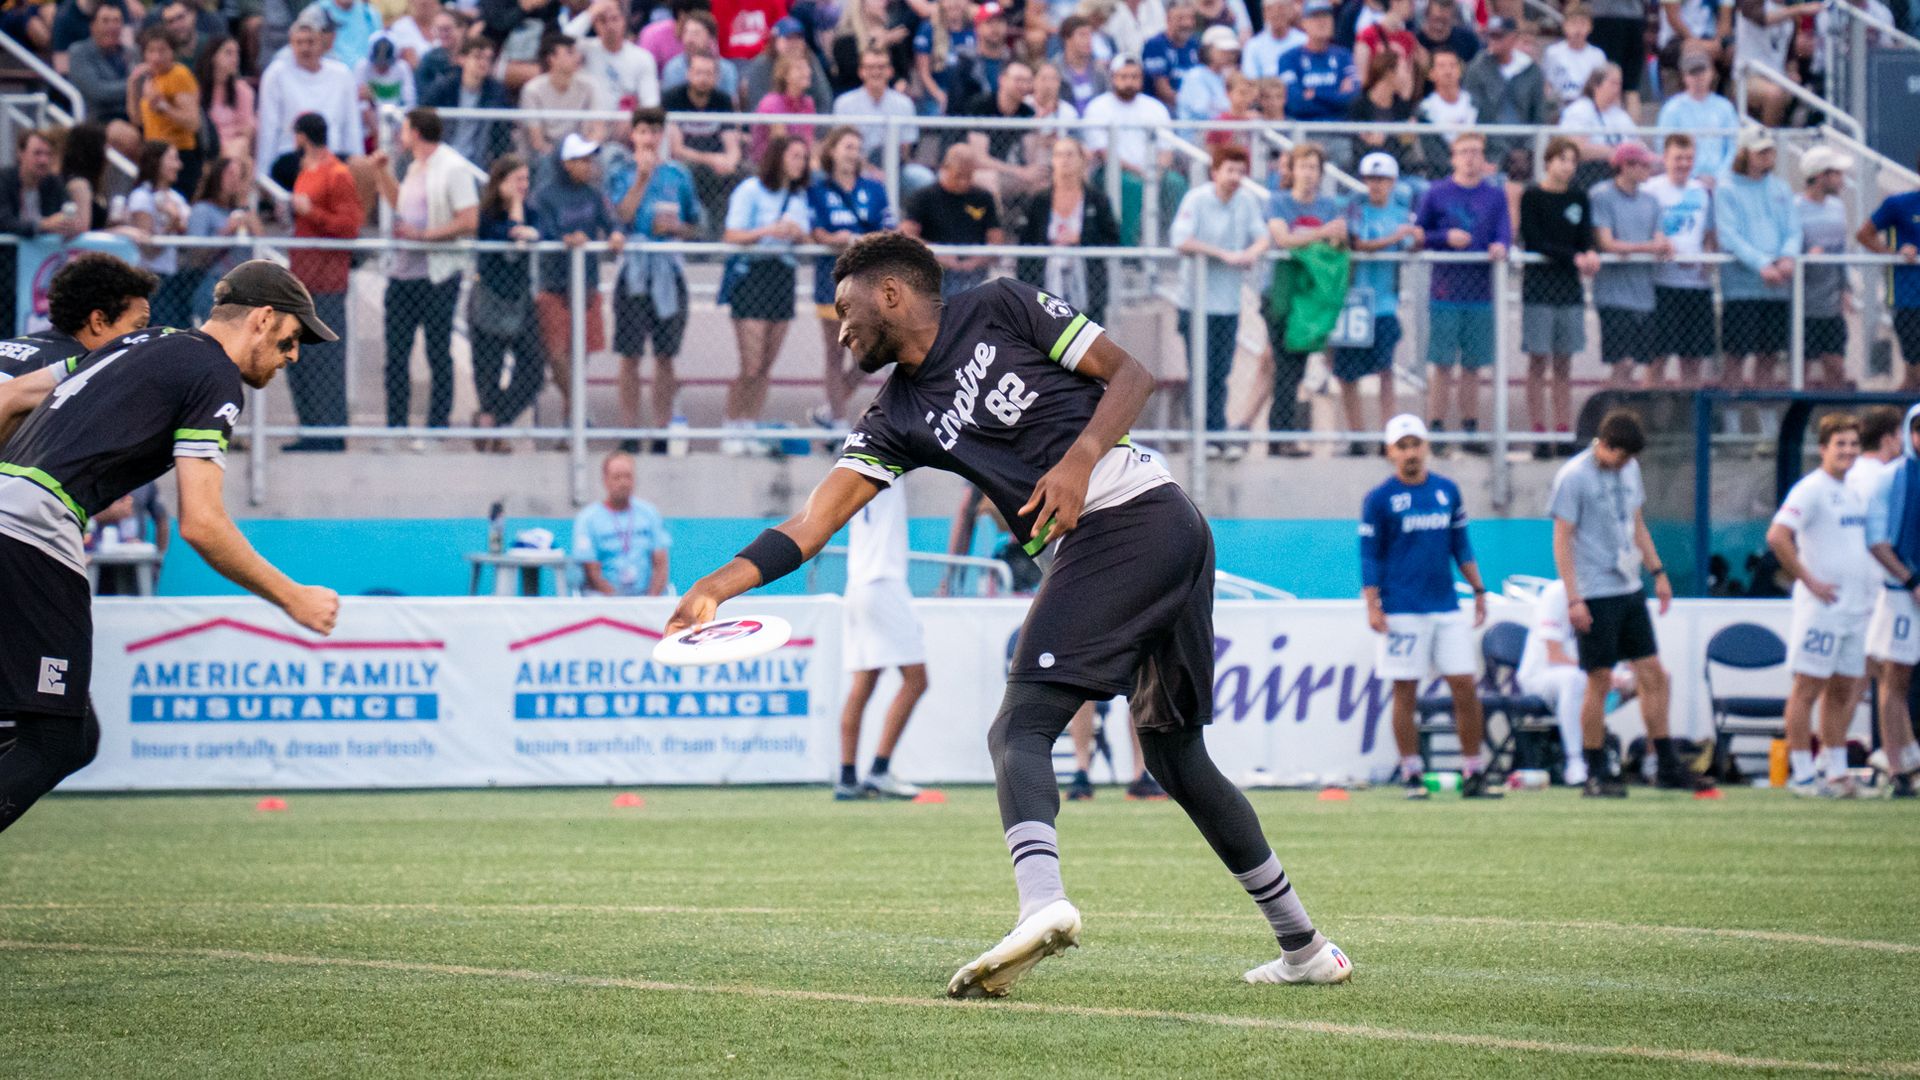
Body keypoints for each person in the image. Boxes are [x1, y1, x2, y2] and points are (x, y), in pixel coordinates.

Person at [664, 231, 1354, 999]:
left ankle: (1042, 906)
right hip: (1158, 536)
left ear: (889, 293)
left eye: (844, 310)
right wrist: (718, 585)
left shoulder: (1001, 303)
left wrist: (1078, 459)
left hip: (1138, 517)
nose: (840, 328)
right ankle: (1307, 947)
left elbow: (1132, 374)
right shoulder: (894, 417)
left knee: (1017, 730)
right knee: (1175, 758)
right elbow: (811, 524)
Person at [0, 259, 340, 834]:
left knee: (63, 733)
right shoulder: (215, 376)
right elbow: (201, 524)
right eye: (293, 337)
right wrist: (293, 597)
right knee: (59, 738)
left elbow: (8, 399)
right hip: (32, 534)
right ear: (262, 319)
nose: (294, 354)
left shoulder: (142, 341)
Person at [1548, 408, 1710, 796]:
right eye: (1619, 456)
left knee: (1653, 674)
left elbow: (1636, 523)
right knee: (1599, 679)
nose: (1623, 464)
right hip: (1594, 591)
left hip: (1628, 587)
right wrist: (1574, 598)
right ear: (1603, 444)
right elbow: (1561, 539)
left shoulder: (1629, 470)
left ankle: (1667, 765)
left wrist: (1658, 572)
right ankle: (1594, 770)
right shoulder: (1573, 477)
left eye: (1629, 459)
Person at [1361, 414, 1496, 798]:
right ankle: (1412, 772)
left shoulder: (1447, 491)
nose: (1410, 453)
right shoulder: (1379, 499)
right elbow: (1369, 556)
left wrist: (1479, 589)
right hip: (1402, 609)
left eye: (1415, 444)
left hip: (1446, 607)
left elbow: (1461, 546)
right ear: (1390, 452)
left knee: (1465, 686)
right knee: (1406, 691)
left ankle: (1473, 770)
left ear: (1427, 447)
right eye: (1401, 446)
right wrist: (1373, 605)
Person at [1767, 412, 1878, 798]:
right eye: (1840, 444)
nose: (1847, 451)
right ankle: (1801, 775)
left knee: (1844, 690)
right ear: (1823, 449)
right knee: (1807, 688)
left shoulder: (1855, 490)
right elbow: (1778, 536)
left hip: (1855, 608)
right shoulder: (1810, 489)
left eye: (1853, 444)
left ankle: (1836, 773)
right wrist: (1809, 579)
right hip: (1822, 609)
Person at [373, 107, 480, 442]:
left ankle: (437, 425)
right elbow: (401, 205)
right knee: (396, 355)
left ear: (415, 132)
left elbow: (468, 220)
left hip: (436, 276)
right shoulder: (415, 166)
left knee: (437, 351)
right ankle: (396, 427)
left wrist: (424, 237)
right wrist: (381, 174)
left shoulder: (453, 168)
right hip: (403, 276)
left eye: (404, 130)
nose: (400, 137)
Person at [608, 107, 701, 451]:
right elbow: (621, 215)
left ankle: (661, 430)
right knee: (629, 354)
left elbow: (696, 222)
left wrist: (677, 228)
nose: (649, 138)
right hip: (634, 270)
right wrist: (642, 179)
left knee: (665, 355)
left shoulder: (679, 175)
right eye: (643, 131)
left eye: (655, 131)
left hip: (668, 270)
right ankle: (629, 430)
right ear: (633, 135)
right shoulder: (621, 172)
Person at [1170, 143, 1268, 451]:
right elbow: (1181, 240)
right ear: (1215, 172)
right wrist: (1222, 254)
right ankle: (1201, 435)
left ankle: (1215, 433)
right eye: (1230, 170)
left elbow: (1263, 236)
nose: (1235, 177)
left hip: (1227, 304)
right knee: (1199, 370)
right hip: (1195, 303)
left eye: (1240, 171)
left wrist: (1250, 253)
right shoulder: (1196, 199)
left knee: (1220, 371)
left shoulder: (1246, 201)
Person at [835, 480, 929, 800]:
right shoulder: (890, 466)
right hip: (883, 582)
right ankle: (879, 770)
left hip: (857, 586)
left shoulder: (853, 474)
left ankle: (847, 777)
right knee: (916, 680)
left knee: (864, 684)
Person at [1414, 132, 1507, 450]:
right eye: (1464, 152)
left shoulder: (1494, 196)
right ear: (1453, 157)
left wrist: (1500, 246)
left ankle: (1470, 428)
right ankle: (1436, 427)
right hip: (1445, 290)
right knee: (1442, 363)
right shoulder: (1437, 193)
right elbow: (1419, 234)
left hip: (1481, 293)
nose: (1470, 158)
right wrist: (1444, 238)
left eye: (1476, 152)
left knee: (1472, 365)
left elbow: (1504, 232)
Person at [721, 134, 811, 449]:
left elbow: (808, 238)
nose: (801, 162)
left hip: (782, 275)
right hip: (753, 275)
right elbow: (731, 234)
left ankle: (750, 424)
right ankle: (731, 425)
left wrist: (798, 235)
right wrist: (767, 231)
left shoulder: (799, 197)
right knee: (751, 362)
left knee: (767, 364)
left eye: (804, 156)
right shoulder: (750, 191)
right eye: (795, 155)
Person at [528, 132, 625, 419]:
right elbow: (544, 231)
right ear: (566, 163)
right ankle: (579, 409)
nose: (589, 166)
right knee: (556, 354)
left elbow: (610, 223)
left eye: (589, 160)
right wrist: (566, 239)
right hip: (554, 283)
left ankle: (571, 428)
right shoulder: (544, 195)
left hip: (586, 284)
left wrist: (616, 234)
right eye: (581, 161)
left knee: (579, 358)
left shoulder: (594, 195)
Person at [1262, 140, 1344, 458]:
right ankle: (1280, 437)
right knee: (1285, 366)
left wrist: (1322, 236)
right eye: (1303, 167)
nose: (1309, 174)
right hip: (1281, 294)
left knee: (1296, 368)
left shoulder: (1328, 206)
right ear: (1292, 170)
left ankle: (1285, 435)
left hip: (1310, 298)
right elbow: (1283, 239)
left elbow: (1338, 242)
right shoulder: (1278, 202)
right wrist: (1322, 234)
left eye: (1314, 168)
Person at [1519, 137, 1598, 457]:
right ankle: (1539, 430)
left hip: (1569, 290)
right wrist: (1573, 257)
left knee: (1564, 364)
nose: (1567, 166)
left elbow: (1584, 237)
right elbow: (1534, 240)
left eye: (1572, 161)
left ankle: (1564, 429)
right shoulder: (1533, 196)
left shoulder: (1579, 197)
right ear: (1548, 162)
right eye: (1561, 159)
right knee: (1538, 361)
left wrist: (1589, 253)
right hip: (1539, 288)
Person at [810, 127, 894, 427]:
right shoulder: (819, 190)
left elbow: (887, 231)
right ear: (832, 151)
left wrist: (857, 240)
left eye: (858, 147)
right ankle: (836, 420)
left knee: (873, 351)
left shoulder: (874, 188)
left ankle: (830, 409)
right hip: (831, 279)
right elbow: (817, 232)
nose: (853, 152)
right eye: (847, 146)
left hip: (866, 280)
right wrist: (840, 239)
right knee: (835, 352)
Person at [286, 112, 358, 452]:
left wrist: (310, 210)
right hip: (304, 280)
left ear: (301, 137)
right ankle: (311, 430)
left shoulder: (337, 174)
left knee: (325, 361)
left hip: (326, 282)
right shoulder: (308, 171)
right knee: (301, 360)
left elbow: (349, 226)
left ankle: (328, 433)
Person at [1335, 153, 1417, 452]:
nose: (1376, 185)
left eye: (1382, 179)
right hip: (1355, 303)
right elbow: (1357, 244)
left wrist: (1416, 237)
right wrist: (1396, 237)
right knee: (1347, 374)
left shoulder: (1400, 213)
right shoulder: (1356, 210)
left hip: (1384, 304)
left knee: (1385, 371)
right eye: (1371, 179)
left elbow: (1411, 245)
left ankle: (1389, 436)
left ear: (1393, 182)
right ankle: (1357, 435)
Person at [469, 154, 550, 452]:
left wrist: (521, 222)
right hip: (489, 298)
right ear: (500, 183)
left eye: (527, 179)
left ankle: (494, 422)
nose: (524, 186)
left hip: (520, 300)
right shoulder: (487, 214)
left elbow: (536, 232)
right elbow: (508, 241)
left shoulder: (532, 211)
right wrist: (515, 221)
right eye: (517, 179)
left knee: (533, 369)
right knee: (488, 369)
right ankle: (491, 424)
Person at [1863, 405, 1920, 798]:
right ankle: (1896, 764)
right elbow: (1877, 540)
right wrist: (1910, 578)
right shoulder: (1894, 477)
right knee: (1894, 676)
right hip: (1902, 596)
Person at [1714, 129, 1798, 390]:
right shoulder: (1726, 189)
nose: (1767, 156)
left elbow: (1793, 230)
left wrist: (1787, 257)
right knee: (1736, 355)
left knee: (1769, 355)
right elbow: (1729, 235)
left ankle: (1765, 413)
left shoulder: (1781, 188)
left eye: (1769, 151)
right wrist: (1762, 264)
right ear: (1745, 154)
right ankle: (1731, 418)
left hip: (1777, 289)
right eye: (1760, 151)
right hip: (1741, 289)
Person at [0, 253, 156, 386]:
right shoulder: (86, 372)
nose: (144, 338)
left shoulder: (11, 344)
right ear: (98, 322)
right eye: (139, 326)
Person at [1014, 137, 1121, 328]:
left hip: (1086, 281)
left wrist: (1081, 238)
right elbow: (1025, 243)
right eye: (1058, 155)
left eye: (1070, 154)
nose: (1064, 160)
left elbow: (1112, 238)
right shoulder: (1039, 201)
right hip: (1046, 279)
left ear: (1082, 160)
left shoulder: (1097, 200)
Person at [1515, 578, 1608, 786]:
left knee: (1646, 679)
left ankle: (1651, 763)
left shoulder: (1605, 593)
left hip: (1582, 675)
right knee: (1574, 679)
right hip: (1540, 677)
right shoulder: (1556, 594)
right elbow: (1554, 656)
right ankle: (1575, 762)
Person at [1641, 133, 1716, 389]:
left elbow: (1709, 234)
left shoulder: (1703, 192)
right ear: (1665, 158)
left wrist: (1706, 259)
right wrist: (1659, 242)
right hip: (1662, 285)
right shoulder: (1650, 189)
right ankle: (1649, 417)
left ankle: (1692, 421)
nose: (1683, 163)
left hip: (1696, 286)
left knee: (1693, 362)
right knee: (1656, 359)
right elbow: (1641, 228)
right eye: (1678, 158)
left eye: (1689, 158)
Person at [1589, 141, 1666, 388]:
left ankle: (1631, 416)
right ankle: (1611, 416)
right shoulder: (1601, 195)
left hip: (1644, 295)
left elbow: (1659, 239)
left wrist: (1662, 246)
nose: (1649, 169)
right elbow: (1607, 243)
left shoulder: (1652, 201)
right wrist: (1647, 248)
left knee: (1641, 363)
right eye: (1644, 164)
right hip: (1613, 296)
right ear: (1625, 166)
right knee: (1622, 364)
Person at [256, 7, 364, 180]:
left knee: (361, 168)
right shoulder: (276, 74)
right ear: (291, 44)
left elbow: (351, 127)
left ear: (322, 44)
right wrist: (262, 176)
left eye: (310, 42)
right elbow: (269, 128)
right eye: (299, 42)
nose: (305, 48)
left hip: (333, 154)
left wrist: (358, 163)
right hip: (290, 155)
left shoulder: (342, 75)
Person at [0, 131, 85, 338]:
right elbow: (4, 220)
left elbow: (68, 215)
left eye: (48, 154)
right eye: (37, 153)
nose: (43, 160)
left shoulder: (53, 183)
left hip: (38, 273)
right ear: (21, 153)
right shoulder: (4, 179)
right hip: (5, 270)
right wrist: (44, 225)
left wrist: (70, 226)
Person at [901, 143, 1005, 298]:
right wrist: (939, 255)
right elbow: (906, 236)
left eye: (968, 176)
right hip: (934, 270)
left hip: (974, 272)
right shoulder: (924, 197)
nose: (963, 182)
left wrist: (976, 261)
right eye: (958, 176)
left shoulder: (983, 198)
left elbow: (996, 240)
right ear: (945, 168)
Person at [664, 52, 745, 234]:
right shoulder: (672, 98)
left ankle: (722, 236)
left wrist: (730, 162)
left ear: (716, 77)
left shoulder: (723, 101)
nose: (703, 79)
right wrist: (713, 160)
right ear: (689, 74)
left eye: (708, 74)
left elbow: (732, 145)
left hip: (718, 164)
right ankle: (696, 236)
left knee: (742, 173)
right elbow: (676, 150)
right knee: (695, 172)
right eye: (698, 73)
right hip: (688, 161)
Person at [572, 450, 671, 596]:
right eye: (617, 477)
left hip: (646, 600)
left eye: (628, 477)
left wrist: (650, 600)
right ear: (605, 480)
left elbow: (661, 563)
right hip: (603, 602)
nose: (623, 483)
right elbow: (591, 571)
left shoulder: (649, 513)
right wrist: (619, 605)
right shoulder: (588, 519)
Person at [1794, 147, 1853, 389]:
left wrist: (1845, 289)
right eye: (1836, 173)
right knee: (1802, 371)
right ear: (1820, 176)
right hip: (1802, 307)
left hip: (1830, 307)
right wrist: (1805, 256)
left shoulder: (1837, 208)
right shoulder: (1794, 207)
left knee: (1836, 367)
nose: (1842, 180)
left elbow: (1841, 251)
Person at [1860, 167, 1920, 390]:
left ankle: (1891, 420)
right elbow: (1864, 234)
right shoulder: (1899, 204)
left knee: (1912, 379)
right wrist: (1894, 254)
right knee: (1916, 373)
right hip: (1908, 300)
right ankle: (1890, 421)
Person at [183, 155, 263, 321]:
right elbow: (196, 256)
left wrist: (246, 206)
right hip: (212, 283)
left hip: (243, 284)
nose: (235, 180)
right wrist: (227, 231)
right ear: (218, 175)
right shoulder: (203, 210)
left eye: (239, 176)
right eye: (230, 174)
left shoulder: (243, 211)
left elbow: (262, 241)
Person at [833, 45, 925, 187]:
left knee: (922, 178)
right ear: (861, 71)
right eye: (870, 67)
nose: (876, 72)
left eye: (881, 67)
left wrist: (889, 171)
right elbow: (842, 147)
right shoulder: (844, 103)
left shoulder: (904, 104)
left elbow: (905, 148)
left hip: (896, 168)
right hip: (856, 167)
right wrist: (869, 170)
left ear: (890, 71)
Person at [125, 140, 194, 329]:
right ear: (157, 162)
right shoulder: (141, 197)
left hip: (175, 278)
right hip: (152, 278)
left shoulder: (176, 198)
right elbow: (148, 249)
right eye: (172, 159)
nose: (178, 165)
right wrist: (171, 223)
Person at [129, 25, 203, 195]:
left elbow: (193, 122)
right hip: (152, 154)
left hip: (178, 154)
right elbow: (137, 120)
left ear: (172, 52)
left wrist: (164, 108)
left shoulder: (178, 75)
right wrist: (132, 87)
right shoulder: (150, 78)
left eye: (162, 51)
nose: (156, 57)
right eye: (151, 51)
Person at [422, 35, 514, 169]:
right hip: (442, 157)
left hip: (478, 162)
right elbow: (423, 116)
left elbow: (503, 133)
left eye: (488, 59)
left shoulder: (496, 93)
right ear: (462, 59)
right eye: (477, 57)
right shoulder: (444, 88)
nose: (483, 63)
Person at [1462, 16, 1545, 161]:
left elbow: (1538, 114)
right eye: (1490, 36)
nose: (1493, 41)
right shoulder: (1477, 68)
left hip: (1523, 151)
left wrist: (1528, 150)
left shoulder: (1531, 70)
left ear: (1513, 38)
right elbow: (1472, 112)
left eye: (1498, 36)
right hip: (1486, 148)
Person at [521, 32, 614, 161]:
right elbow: (537, 141)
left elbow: (599, 128)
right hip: (549, 152)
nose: (578, 57)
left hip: (581, 149)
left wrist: (585, 150)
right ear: (551, 58)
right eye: (570, 53)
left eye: (577, 52)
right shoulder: (532, 90)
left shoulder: (589, 86)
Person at [959, 61, 1042, 198]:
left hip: (1008, 171)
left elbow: (1030, 156)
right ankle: (997, 220)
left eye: (1028, 81)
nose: (1023, 85)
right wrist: (1019, 171)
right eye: (1018, 80)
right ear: (1002, 80)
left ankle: (1030, 220)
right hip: (972, 170)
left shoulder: (1027, 113)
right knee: (989, 179)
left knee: (1040, 181)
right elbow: (980, 159)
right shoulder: (981, 106)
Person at [1655, 52, 1738, 182]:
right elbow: (1663, 146)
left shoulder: (1725, 107)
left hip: (1722, 182)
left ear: (1711, 73)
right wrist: (1691, 177)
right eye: (1693, 73)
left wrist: (1719, 176)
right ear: (1684, 77)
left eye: (1702, 71)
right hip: (1683, 180)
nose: (1699, 77)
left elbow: (1734, 146)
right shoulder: (1672, 108)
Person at [1275, 1, 1355, 121]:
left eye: (1326, 16)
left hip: (1339, 131)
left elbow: (1352, 100)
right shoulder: (1289, 58)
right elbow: (1295, 103)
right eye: (1315, 16)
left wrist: (1314, 94)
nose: (1322, 22)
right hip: (1303, 131)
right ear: (1304, 23)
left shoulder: (1344, 56)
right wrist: (1335, 96)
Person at [577, 0, 661, 111]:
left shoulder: (643, 57)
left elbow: (650, 102)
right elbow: (560, 42)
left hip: (629, 124)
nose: (610, 26)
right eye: (602, 20)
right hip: (591, 125)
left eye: (615, 19)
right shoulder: (584, 49)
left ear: (624, 21)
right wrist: (590, 13)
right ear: (594, 24)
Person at [68, 3, 138, 125]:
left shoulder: (132, 52)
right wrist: (134, 84)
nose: (112, 26)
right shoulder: (80, 52)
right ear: (92, 26)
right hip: (99, 120)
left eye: (117, 21)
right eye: (105, 21)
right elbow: (98, 92)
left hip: (134, 115)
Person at [1414, 46, 1474, 176]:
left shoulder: (1475, 104)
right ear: (1431, 73)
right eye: (1441, 66)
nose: (1448, 71)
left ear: (1460, 70)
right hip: (1440, 173)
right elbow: (1430, 150)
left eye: (1453, 65)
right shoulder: (1424, 110)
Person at [912, 0, 979, 114]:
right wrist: (941, 97)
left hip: (968, 92)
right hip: (938, 92)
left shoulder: (975, 29)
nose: (954, 3)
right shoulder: (928, 29)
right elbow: (923, 73)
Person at [1584, 0, 1649, 115]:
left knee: (1610, 80)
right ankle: (1629, 130)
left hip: (1604, 17)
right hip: (1634, 18)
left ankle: (1619, 128)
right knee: (1630, 88)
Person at [196, 36, 256, 160]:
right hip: (206, 147)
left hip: (235, 150)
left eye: (237, 53)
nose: (235, 59)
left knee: (240, 145)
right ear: (213, 56)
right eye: (228, 53)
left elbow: (246, 131)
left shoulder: (242, 90)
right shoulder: (197, 89)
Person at [1543, 3, 1605, 108]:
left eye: (1583, 24)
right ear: (1565, 26)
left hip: (1588, 107)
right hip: (1560, 105)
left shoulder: (1597, 55)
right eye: (1574, 23)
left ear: (1590, 27)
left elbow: (1601, 88)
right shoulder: (1553, 53)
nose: (1578, 29)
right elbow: (1547, 85)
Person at [1177, 24, 1240, 122]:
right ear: (1208, 50)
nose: (1229, 55)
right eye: (1223, 51)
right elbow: (1203, 111)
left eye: (1232, 52)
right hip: (1197, 135)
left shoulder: (1228, 76)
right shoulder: (1195, 76)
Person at [1141, 0, 1199, 106]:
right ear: (1168, 20)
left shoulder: (1194, 44)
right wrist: (1191, 105)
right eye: (1180, 18)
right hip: (1163, 108)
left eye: (1191, 18)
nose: (1187, 23)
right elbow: (1162, 91)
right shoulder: (1155, 45)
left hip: (1191, 107)